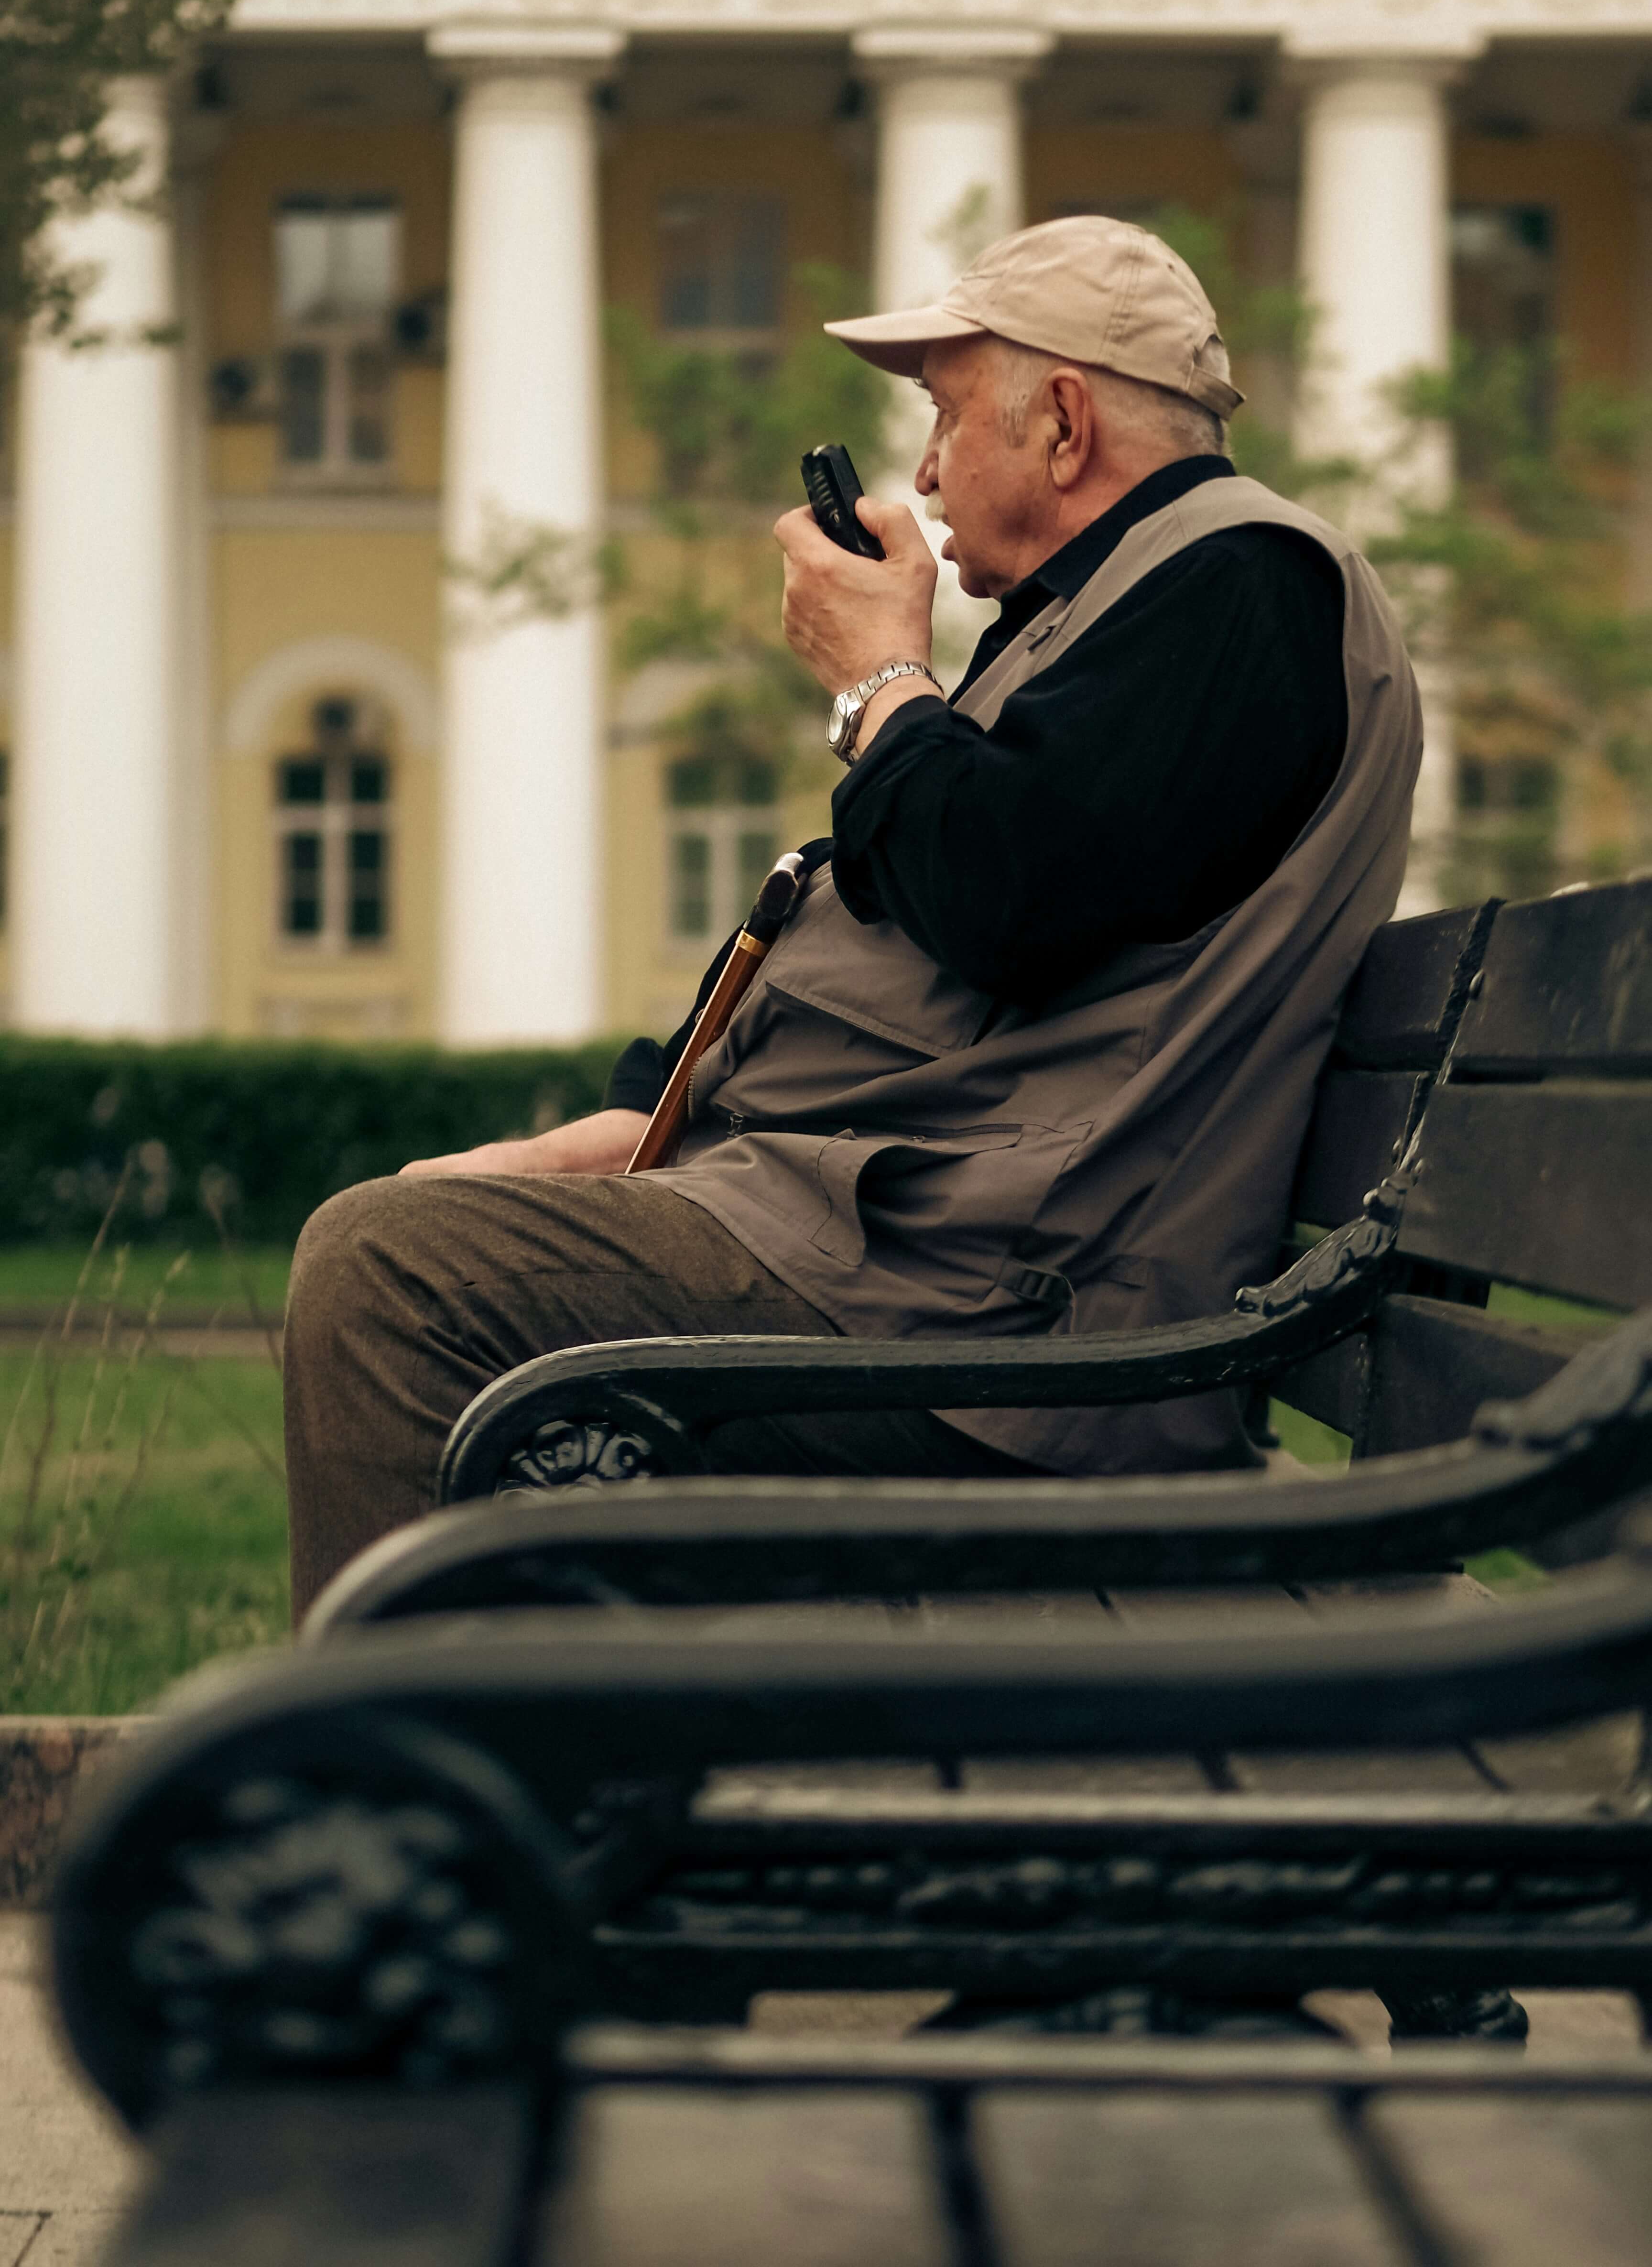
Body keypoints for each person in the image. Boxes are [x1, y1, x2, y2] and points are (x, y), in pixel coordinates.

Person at [283, 215, 1421, 1621]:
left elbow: (1008, 901)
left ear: (1064, 425)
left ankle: (386, 1812)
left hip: (1011, 1331)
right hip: (941, 1269)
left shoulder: (1241, 582)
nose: (927, 470)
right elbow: (943, 926)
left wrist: (883, 682)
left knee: (391, 1274)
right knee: (431, 1219)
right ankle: (504, 1767)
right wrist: (641, 1127)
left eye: (946, 418)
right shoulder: (1119, 611)